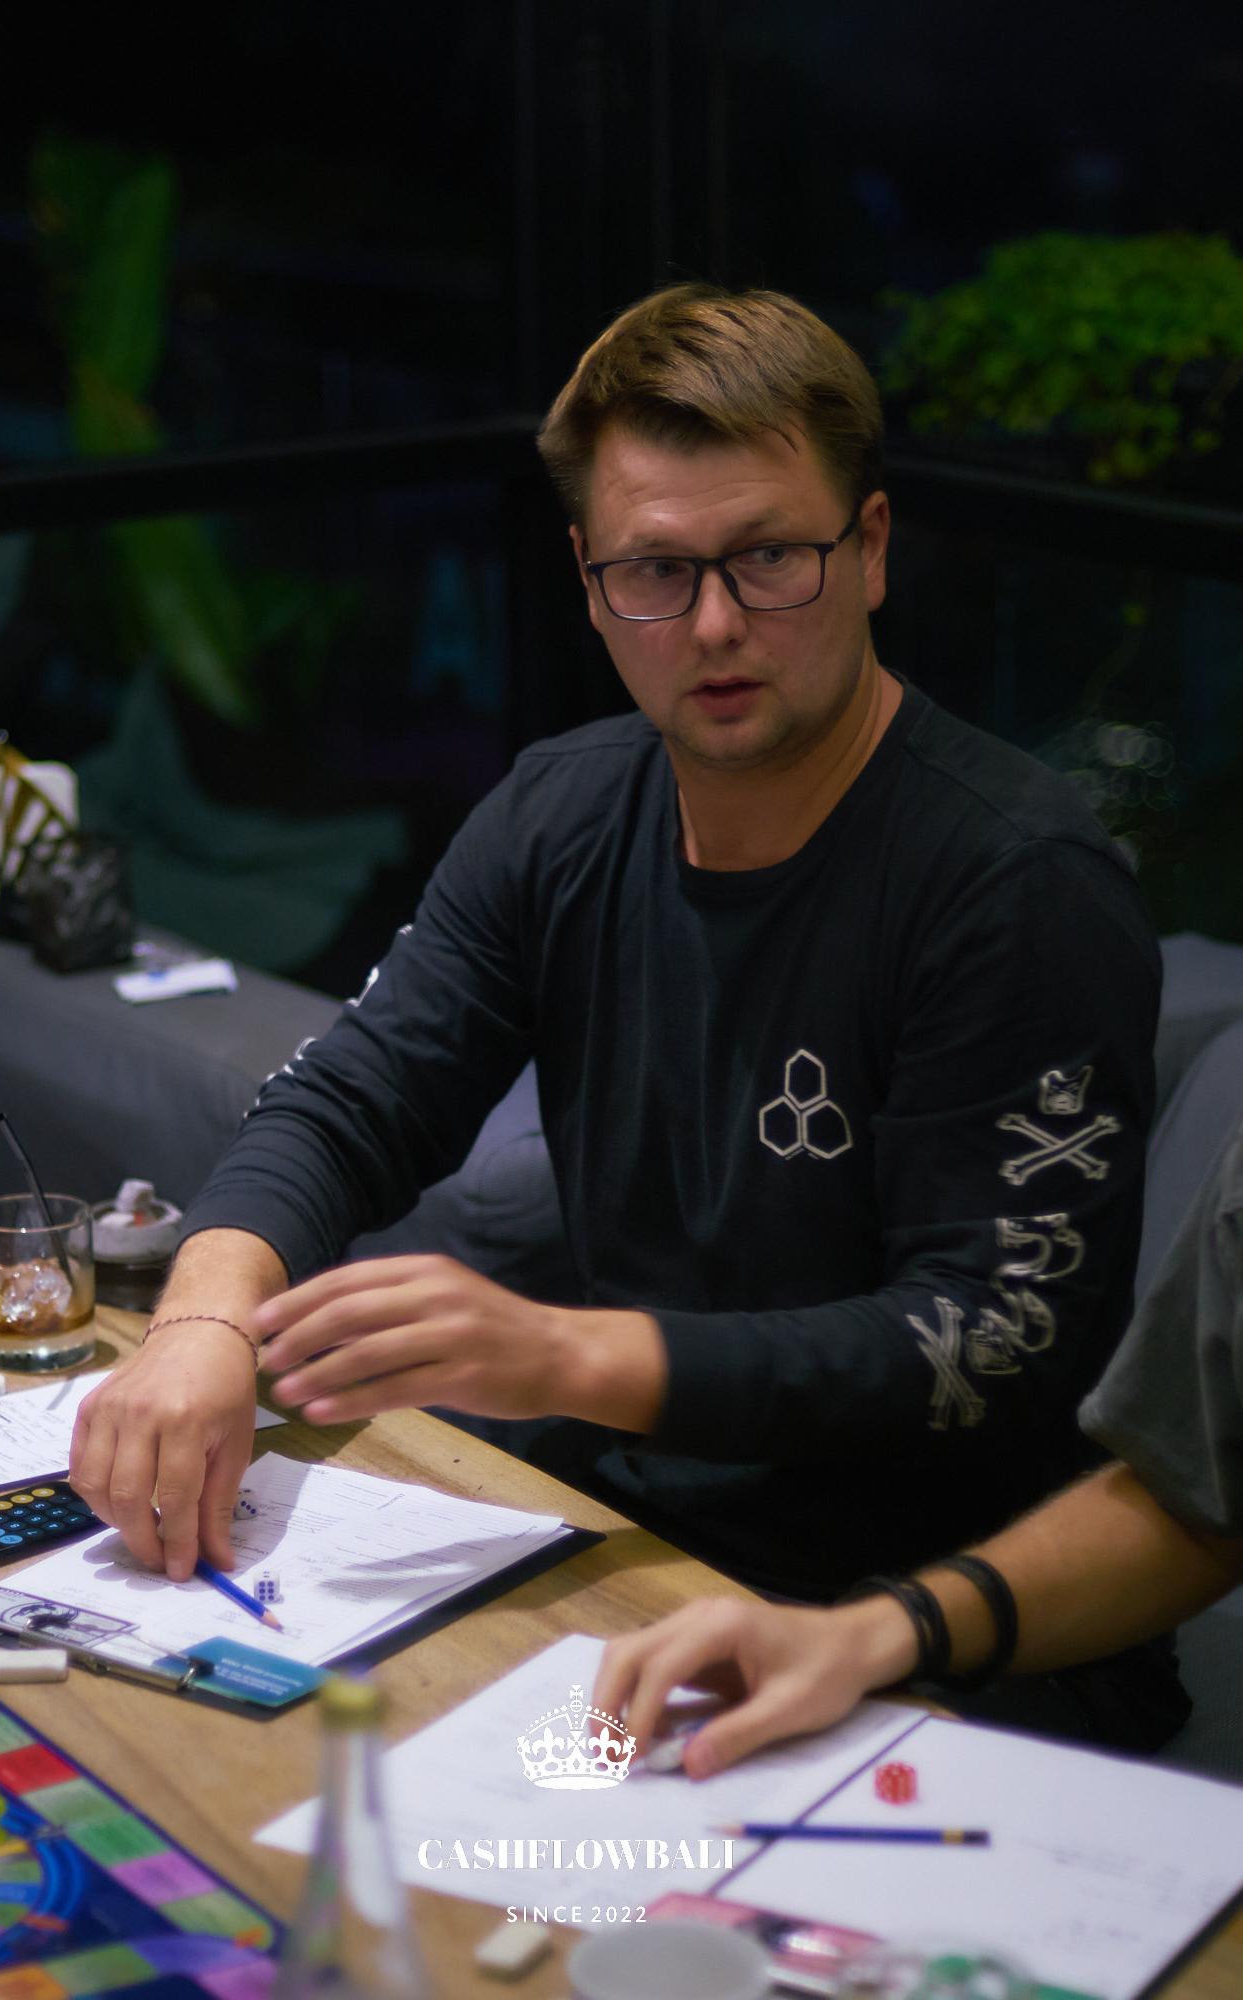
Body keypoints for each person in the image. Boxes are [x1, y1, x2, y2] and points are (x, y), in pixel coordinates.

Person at [70, 283, 1172, 1735]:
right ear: (590, 583)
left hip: (937, 1642)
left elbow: (980, 1346)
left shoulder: (1016, 880)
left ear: (870, 548)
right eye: (654, 570)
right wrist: (202, 1319)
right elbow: (354, 1093)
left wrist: (561, 1353)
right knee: (225, 1765)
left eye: (768, 557)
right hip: (638, 1548)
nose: (713, 623)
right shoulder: (560, 811)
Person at [594, 1105, 1243, 1767]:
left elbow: (987, 1327)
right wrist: (868, 1636)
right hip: (729, 1555)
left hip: (1006, 1645)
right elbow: (1191, 1502)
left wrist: (582, 1358)